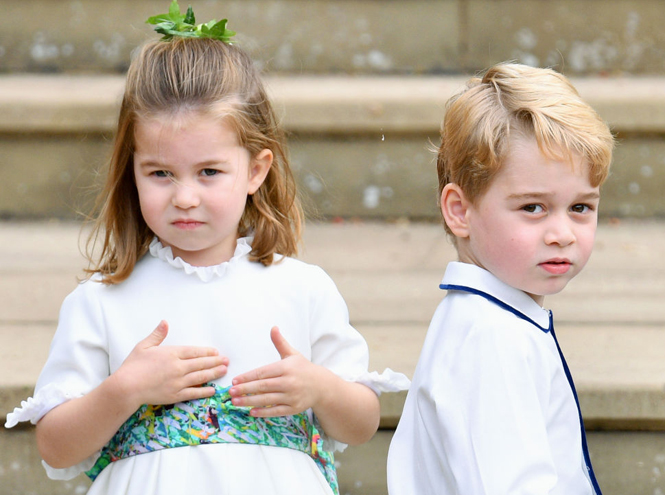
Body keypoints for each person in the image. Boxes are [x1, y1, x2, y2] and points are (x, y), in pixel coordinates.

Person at [5, 3, 408, 494]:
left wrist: (319, 388)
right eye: (160, 173)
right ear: (131, 172)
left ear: (255, 171)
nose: (185, 197)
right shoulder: (103, 301)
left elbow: (362, 423)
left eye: (209, 172)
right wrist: (125, 389)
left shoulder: (301, 288)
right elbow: (56, 445)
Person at [387, 62, 614, 495]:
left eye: (581, 207)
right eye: (533, 207)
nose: (562, 234)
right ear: (460, 211)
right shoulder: (490, 338)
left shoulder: (495, 321)